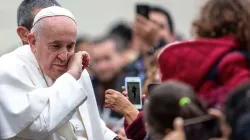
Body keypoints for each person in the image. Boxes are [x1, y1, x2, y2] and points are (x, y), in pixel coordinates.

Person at [0, 6, 118, 140]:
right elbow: (38, 127)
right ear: (33, 42)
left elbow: (90, 122)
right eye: (55, 46)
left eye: (70, 46)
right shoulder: (8, 68)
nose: (64, 56)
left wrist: (115, 138)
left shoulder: (75, 67)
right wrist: (70, 77)